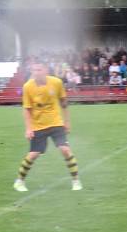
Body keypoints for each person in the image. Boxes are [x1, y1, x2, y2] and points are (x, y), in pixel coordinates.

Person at [13, 62, 82, 192]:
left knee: (65, 150)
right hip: (38, 125)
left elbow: (64, 103)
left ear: (45, 70)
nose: (36, 72)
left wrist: (67, 121)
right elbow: (26, 109)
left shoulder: (56, 82)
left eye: (39, 69)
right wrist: (28, 128)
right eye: (34, 70)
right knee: (33, 154)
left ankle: (76, 181)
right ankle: (19, 181)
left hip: (56, 122)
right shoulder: (27, 86)